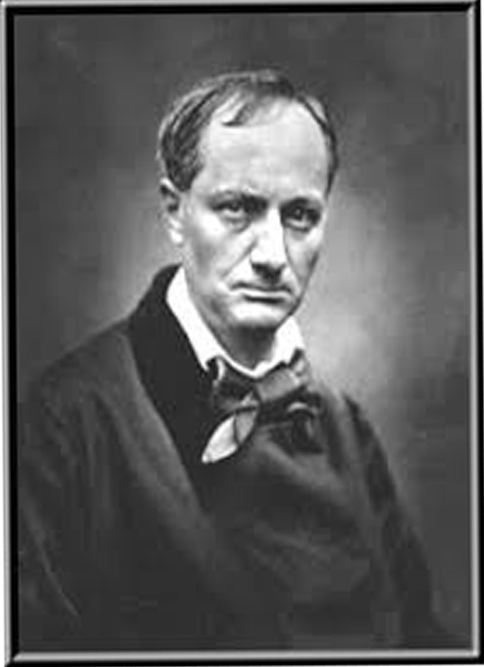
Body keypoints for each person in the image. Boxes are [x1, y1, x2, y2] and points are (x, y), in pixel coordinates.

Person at [17, 70, 453, 652]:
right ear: (173, 212)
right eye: (237, 209)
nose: (272, 255)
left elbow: (421, 644)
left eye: (300, 215)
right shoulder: (66, 421)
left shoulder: (346, 426)